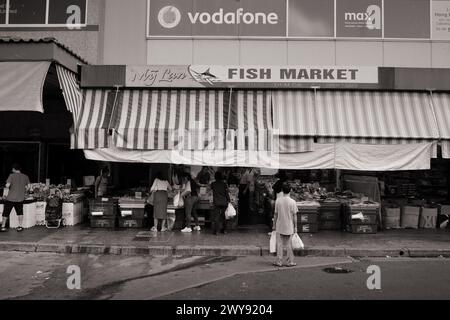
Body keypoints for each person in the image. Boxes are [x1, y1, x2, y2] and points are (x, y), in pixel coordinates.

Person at [272, 183, 298, 267]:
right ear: (290, 190)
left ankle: (279, 261)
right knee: (288, 245)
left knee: (279, 244)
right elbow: (294, 216)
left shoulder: (278, 200)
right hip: (289, 226)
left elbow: (275, 214)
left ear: (282, 191)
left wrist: (273, 225)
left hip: (279, 225)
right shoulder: (293, 202)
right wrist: (295, 227)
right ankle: (290, 262)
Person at [1, 164, 30, 232]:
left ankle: (3, 226)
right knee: (20, 212)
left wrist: (6, 185)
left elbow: (7, 185)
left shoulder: (11, 175)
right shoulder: (25, 176)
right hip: (20, 198)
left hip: (10, 198)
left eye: (12, 169)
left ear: (14, 169)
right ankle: (20, 226)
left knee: (6, 213)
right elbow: (28, 187)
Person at [210, 171, 230, 235]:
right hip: (224, 201)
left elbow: (210, 190)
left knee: (217, 216)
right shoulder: (224, 184)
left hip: (216, 202)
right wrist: (229, 200)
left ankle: (217, 231)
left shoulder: (213, 184)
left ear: (215, 177)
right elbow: (226, 193)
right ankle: (224, 230)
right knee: (224, 216)